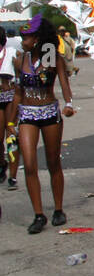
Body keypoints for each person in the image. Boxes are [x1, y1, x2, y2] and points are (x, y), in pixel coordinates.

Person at [13, 15, 75, 233]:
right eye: (22, 37)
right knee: (29, 164)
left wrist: (69, 104)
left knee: (52, 163)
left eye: (27, 37)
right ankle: (38, 215)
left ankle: (58, 209)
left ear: (38, 39)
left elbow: (65, 84)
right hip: (27, 115)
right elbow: (18, 93)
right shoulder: (20, 60)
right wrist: (11, 122)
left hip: (50, 113)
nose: (23, 41)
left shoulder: (52, 59)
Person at [0, 29, 18, 191]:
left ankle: (13, 175)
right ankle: (2, 163)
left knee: (11, 136)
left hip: (11, 97)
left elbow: (20, 72)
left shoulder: (11, 52)